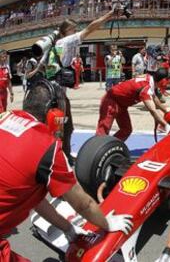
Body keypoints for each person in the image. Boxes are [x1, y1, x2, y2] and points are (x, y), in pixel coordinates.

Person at [0, 81, 133, 261]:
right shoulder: (47, 148)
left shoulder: (5, 118)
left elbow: (31, 199)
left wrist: (67, 228)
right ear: (54, 114)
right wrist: (107, 223)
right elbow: (83, 204)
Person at [46, 9, 121, 165]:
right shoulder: (68, 40)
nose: (76, 31)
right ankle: (57, 161)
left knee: (66, 127)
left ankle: (63, 155)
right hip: (58, 93)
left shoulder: (58, 43)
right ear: (67, 31)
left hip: (54, 89)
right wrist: (109, 14)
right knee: (60, 128)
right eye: (73, 29)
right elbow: (90, 28)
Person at [96, 68, 170, 141]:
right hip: (111, 101)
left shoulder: (149, 78)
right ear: (163, 81)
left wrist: (166, 110)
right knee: (103, 130)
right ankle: (97, 150)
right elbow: (153, 110)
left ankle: (111, 146)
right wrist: (166, 126)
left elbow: (154, 97)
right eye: (168, 80)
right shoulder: (145, 89)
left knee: (126, 129)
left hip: (122, 104)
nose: (169, 83)